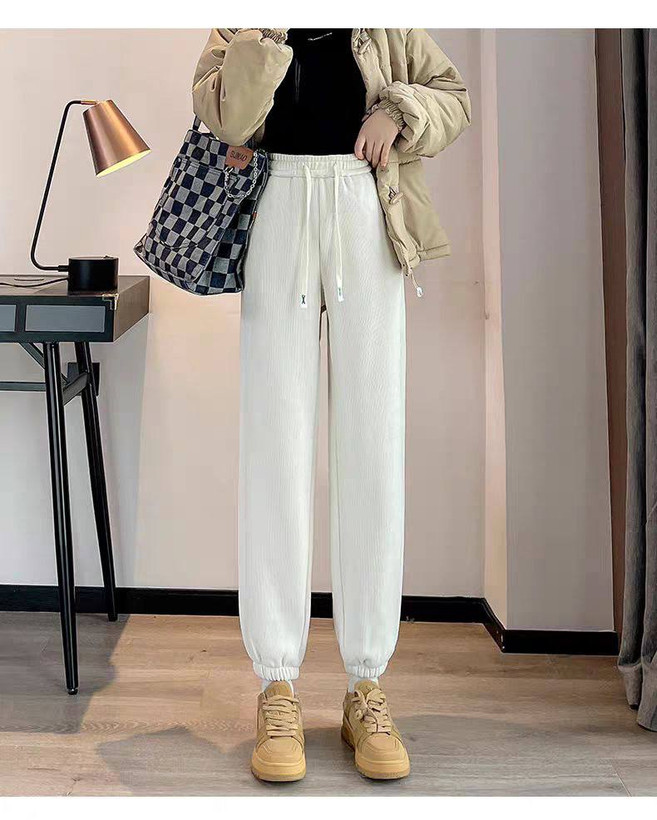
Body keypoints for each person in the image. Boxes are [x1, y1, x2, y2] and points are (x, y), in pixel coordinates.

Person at [192, 28, 471, 782]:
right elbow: (226, 120)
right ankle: (276, 684)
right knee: (274, 448)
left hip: (366, 210)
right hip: (275, 210)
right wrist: (264, 40)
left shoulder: (385, 22)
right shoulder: (244, 24)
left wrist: (398, 111)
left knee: (372, 450)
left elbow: (453, 97)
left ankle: (365, 686)